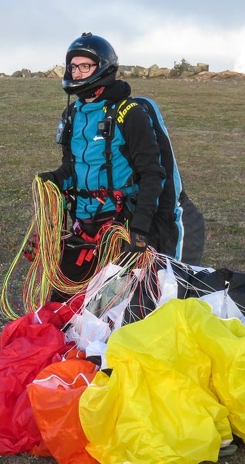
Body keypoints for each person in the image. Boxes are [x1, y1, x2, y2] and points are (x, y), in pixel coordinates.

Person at [38, 32, 205, 292]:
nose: (78, 73)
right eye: (73, 66)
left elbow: (152, 174)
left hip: (120, 225)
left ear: (103, 68)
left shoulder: (129, 113)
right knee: (65, 302)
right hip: (85, 226)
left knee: (124, 306)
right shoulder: (73, 114)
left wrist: (139, 230)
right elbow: (73, 170)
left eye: (85, 66)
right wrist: (54, 179)